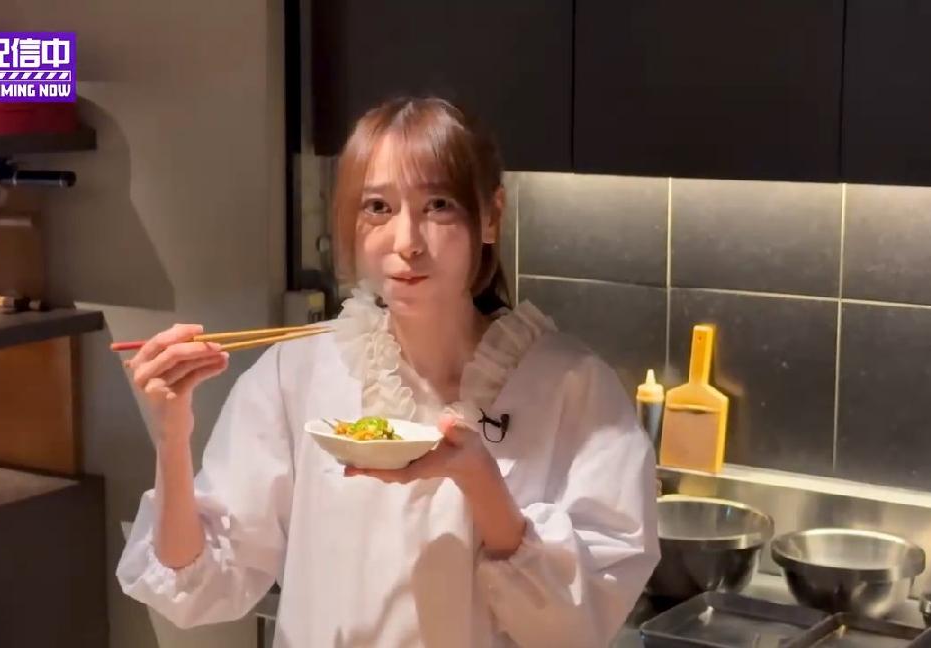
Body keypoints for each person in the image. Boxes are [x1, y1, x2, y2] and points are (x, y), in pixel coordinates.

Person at [117, 97, 660, 648]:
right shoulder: (298, 372)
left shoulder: (573, 389)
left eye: (438, 205)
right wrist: (172, 437)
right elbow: (199, 582)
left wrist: (481, 481)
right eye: (378, 207)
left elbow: (578, 625)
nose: (406, 243)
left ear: (491, 215)